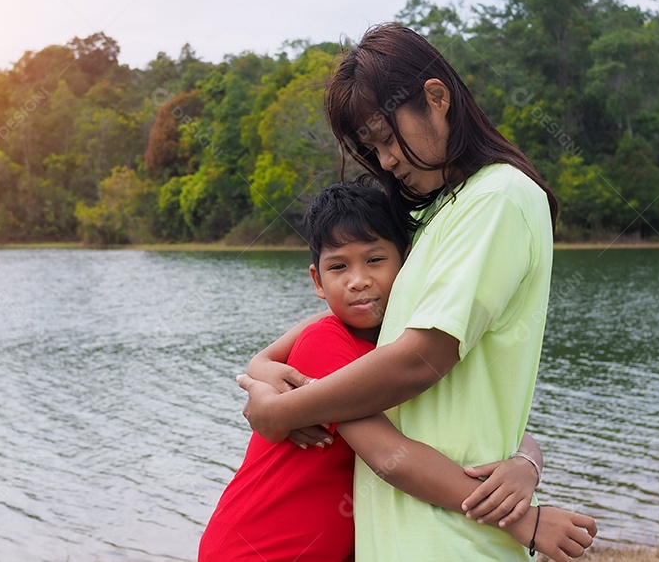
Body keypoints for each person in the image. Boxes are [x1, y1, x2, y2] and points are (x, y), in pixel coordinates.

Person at [238, 23, 579, 560]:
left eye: (387, 138)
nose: (387, 160)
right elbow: (351, 327)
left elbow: (421, 360)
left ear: (436, 98)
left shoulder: (498, 198)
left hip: (454, 542)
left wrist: (282, 412)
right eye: (371, 148)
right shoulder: (441, 213)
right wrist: (261, 369)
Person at [200, 182, 596, 562]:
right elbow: (393, 457)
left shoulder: (406, 351)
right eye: (339, 267)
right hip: (258, 549)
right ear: (318, 281)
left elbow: (497, 422)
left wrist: (527, 465)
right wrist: (524, 520)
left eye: (375, 259)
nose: (359, 281)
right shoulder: (327, 343)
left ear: (407, 261)